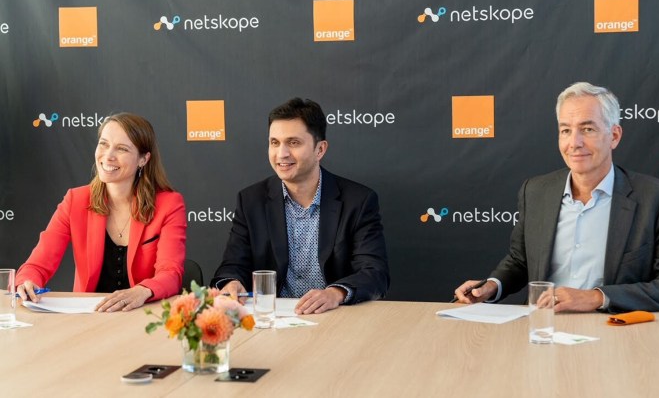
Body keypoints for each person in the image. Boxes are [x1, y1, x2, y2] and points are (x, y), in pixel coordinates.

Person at [455, 82, 659, 313]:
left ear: (614, 136)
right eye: (566, 130)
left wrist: (596, 297)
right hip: (544, 326)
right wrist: (491, 286)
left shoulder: (657, 200)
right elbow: (521, 261)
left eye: (587, 129)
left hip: (614, 329)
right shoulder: (535, 191)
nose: (574, 143)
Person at [211, 97, 389, 314]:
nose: (281, 154)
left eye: (293, 143)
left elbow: (374, 272)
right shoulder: (251, 200)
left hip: (335, 316)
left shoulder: (358, 201)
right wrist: (232, 283)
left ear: (320, 149)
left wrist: (336, 293)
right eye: (274, 143)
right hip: (274, 318)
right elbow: (232, 266)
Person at [16, 113, 186, 312]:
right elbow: (37, 265)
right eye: (104, 144)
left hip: (142, 315)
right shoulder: (75, 200)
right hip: (89, 318)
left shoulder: (169, 204)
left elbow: (171, 273)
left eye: (122, 149)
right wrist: (27, 282)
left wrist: (143, 291)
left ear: (143, 159)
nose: (108, 156)